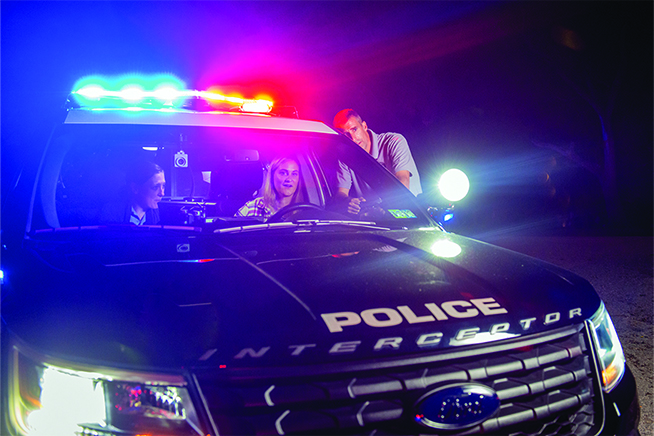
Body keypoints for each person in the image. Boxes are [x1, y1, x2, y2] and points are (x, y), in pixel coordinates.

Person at [333, 109, 421, 214]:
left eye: (354, 129)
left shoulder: (394, 142)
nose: (352, 138)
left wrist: (386, 209)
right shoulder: (345, 157)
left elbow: (403, 181)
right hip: (377, 221)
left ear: (364, 126)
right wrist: (348, 202)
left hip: (412, 214)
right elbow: (340, 194)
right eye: (345, 134)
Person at [235, 156, 304, 220]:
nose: (289, 179)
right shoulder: (252, 207)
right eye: (283, 173)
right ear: (272, 177)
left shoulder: (304, 211)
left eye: (294, 174)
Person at [100, 161, 165, 225]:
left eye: (163, 186)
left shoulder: (159, 216)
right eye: (155, 187)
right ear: (135, 188)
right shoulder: (111, 214)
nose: (162, 193)